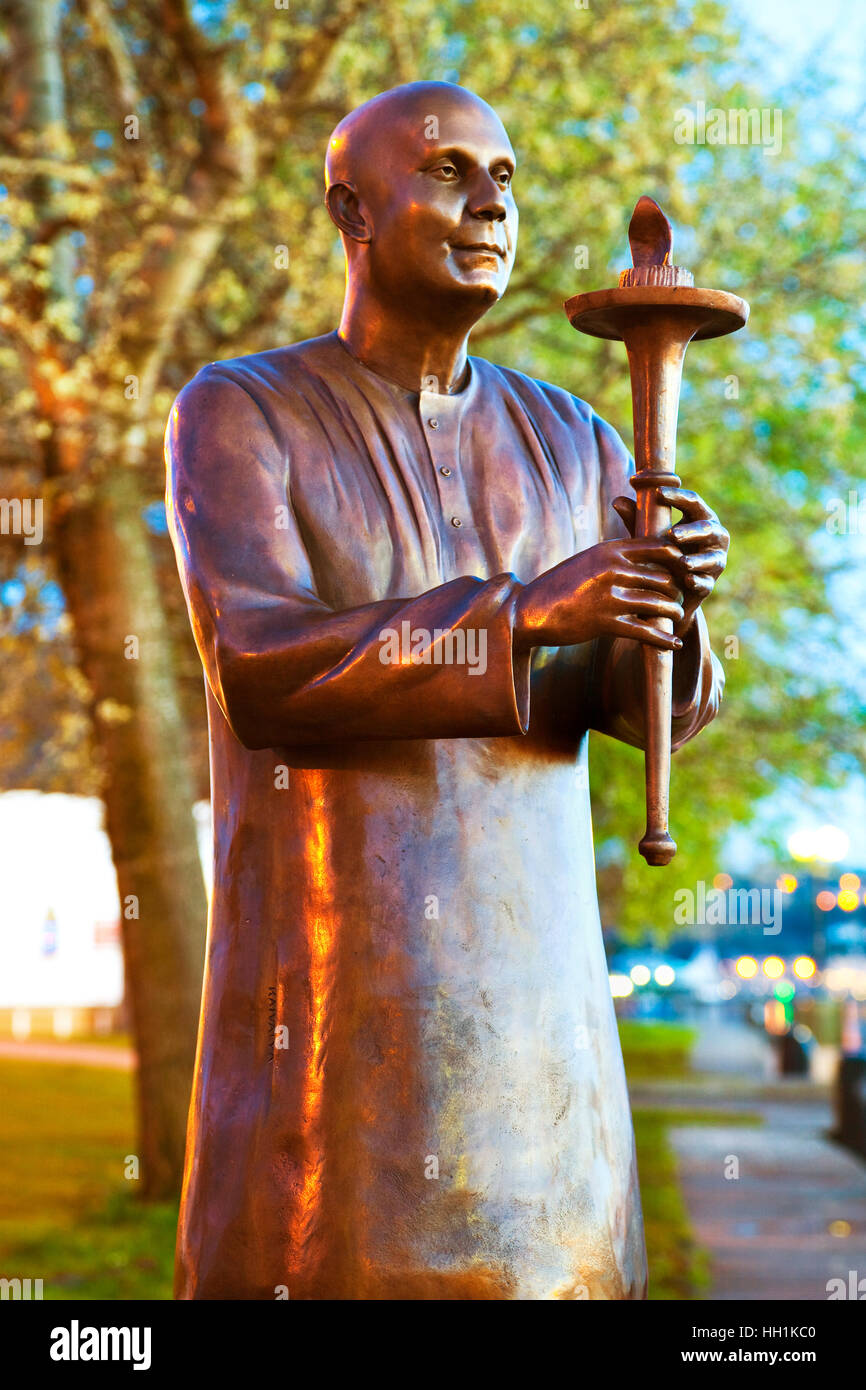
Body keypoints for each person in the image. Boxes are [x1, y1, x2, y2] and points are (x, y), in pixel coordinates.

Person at [166, 81, 727, 1300]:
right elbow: (262, 667)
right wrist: (522, 613)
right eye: (446, 173)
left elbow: (646, 712)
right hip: (336, 1024)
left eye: (505, 180)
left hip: (545, 1039)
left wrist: (672, 612)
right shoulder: (244, 411)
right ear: (351, 211)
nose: (487, 206)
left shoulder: (576, 440)